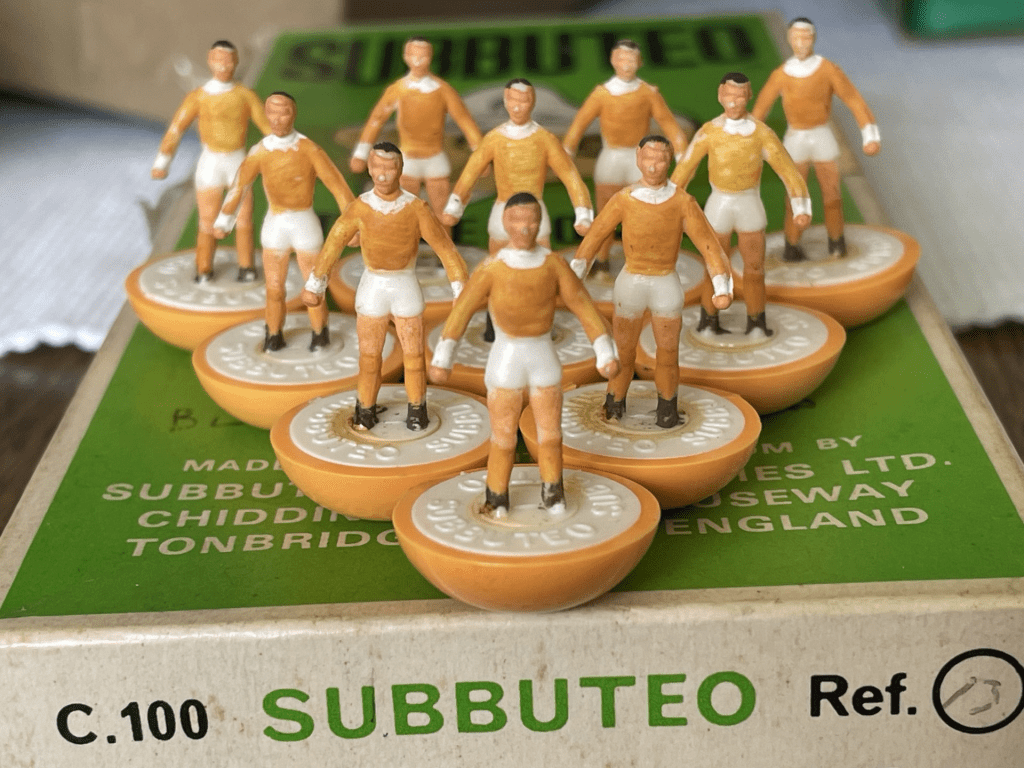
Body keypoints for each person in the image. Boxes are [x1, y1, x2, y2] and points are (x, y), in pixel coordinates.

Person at [430, 193, 617, 517]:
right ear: (505, 222)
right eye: (517, 220)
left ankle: (553, 493)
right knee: (503, 435)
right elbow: (462, 310)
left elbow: (582, 305)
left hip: (543, 354)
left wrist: (604, 350)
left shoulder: (554, 264)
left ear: (540, 222)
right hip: (506, 357)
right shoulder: (492, 267)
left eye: (531, 220)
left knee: (551, 433)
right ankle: (497, 495)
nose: (525, 228)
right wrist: (443, 357)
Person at [302, 143, 468, 432]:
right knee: (369, 357)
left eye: (389, 168)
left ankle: (417, 409)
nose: (383, 174)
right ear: (369, 168)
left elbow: (445, 249)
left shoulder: (416, 208)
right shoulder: (360, 207)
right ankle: (365, 410)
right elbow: (334, 244)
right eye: (377, 167)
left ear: (400, 170)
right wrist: (316, 283)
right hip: (373, 286)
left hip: (405, 285)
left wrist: (460, 288)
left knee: (414, 356)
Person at [572, 136, 732, 427]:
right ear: (638, 157)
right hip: (630, 283)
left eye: (660, 159)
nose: (654, 166)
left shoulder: (683, 202)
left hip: (665, 284)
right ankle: (614, 404)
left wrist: (722, 285)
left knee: (668, 352)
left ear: (669, 161)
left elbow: (709, 245)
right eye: (648, 158)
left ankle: (667, 408)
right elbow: (595, 236)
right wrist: (576, 274)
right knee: (623, 351)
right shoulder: (624, 199)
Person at [671, 72, 811, 336]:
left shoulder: (761, 133)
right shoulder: (709, 131)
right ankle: (708, 320)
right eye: (729, 96)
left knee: (755, 269)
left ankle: (756, 321)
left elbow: (788, 171)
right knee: (714, 267)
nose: (734, 102)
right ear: (720, 96)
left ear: (749, 97)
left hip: (749, 204)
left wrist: (801, 207)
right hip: (718, 205)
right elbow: (684, 170)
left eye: (740, 96)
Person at [214, 92, 356, 351]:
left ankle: (320, 334)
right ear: (266, 114)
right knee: (274, 288)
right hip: (276, 224)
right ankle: (273, 334)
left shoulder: (309, 149)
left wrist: (353, 223)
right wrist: (225, 219)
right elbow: (240, 185)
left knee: (314, 286)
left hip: (304, 224)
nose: (278, 119)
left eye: (284, 112)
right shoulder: (260, 151)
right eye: (273, 112)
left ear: (293, 114)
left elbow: (337, 185)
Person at [752, 18, 880, 260]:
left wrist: (869, 135)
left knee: (832, 194)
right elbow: (760, 110)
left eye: (805, 37)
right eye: (796, 38)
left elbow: (853, 99)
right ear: (789, 40)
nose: (801, 43)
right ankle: (792, 245)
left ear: (813, 39)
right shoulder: (781, 74)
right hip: (795, 139)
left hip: (821, 135)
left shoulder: (827, 69)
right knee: (795, 197)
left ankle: (837, 241)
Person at [562, 39, 689, 272]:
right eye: (622, 59)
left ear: (640, 62)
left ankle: (644, 258)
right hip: (611, 157)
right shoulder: (602, 94)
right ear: (613, 60)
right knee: (606, 213)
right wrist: (568, 150)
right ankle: (601, 259)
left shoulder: (647, 93)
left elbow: (667, 122)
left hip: (639, 158)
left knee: (644, 210)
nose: (627, 64)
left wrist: (682, 153)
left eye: (632, 59)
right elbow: (579, 123)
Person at [152, 40, 271, 282]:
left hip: (238, 161)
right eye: (219, 60)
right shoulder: (199, 97)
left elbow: (267, 127)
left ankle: (246, 267)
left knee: (244, 217)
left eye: (229, 61)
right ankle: (204, 268)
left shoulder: (245, 95)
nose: (224, 66)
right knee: (207, 220)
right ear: (210, 61)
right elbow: (177, 128)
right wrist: (162, 162)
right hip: (211, 162)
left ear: (235, 62)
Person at [441, 78, 594, 254]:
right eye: (512, 100)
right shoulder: (494, 138)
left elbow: (570, 176)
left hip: (535, 210)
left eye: (523, 101)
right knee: (497, 260)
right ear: (505, 101)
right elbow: (471, 172)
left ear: (532, 102)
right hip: (502, 208)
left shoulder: (545, 139)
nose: (517, 107)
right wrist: (455, 205)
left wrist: (583, 213)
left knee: (542, 259)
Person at [349, 37, 482, 222]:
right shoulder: (398, 89)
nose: (418, 61)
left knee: (443, 214)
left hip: (435, 158)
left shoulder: (442, 90)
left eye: (423, 57)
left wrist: (480, 155)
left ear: (430, 57)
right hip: (408, 161)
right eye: (414, 56)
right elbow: (376, 120)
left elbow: (464, 120)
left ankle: (444, 241)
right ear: (406, 57)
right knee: (406, 215)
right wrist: (361, 153)